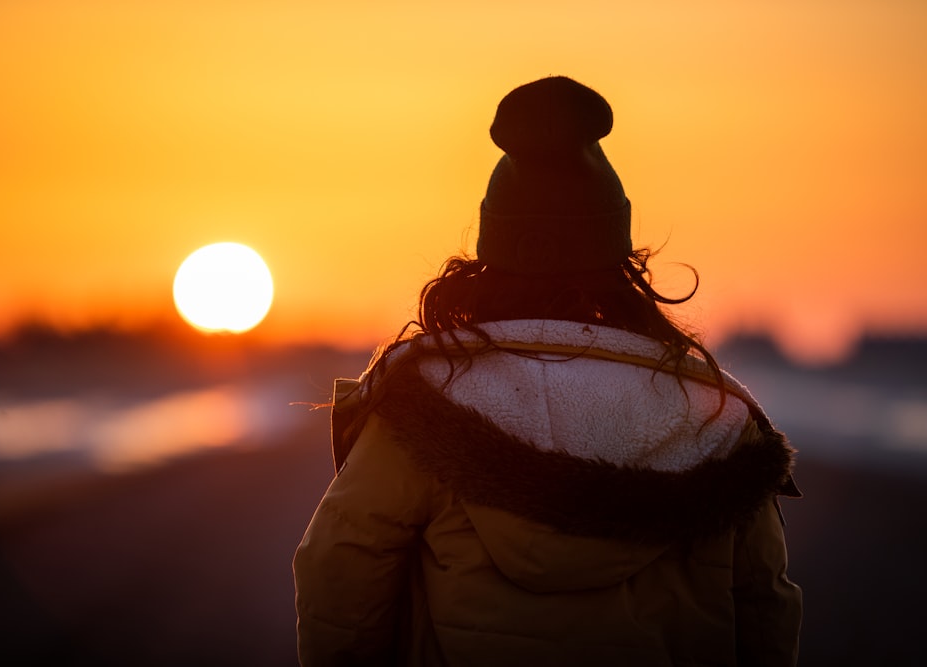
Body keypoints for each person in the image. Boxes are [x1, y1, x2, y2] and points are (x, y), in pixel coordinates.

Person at [294, 76, 802, 666]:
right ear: (620, 258)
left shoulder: (429, 404)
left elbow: (340, 569)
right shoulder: (715, 421)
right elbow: (764, 602)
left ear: (491, 256)